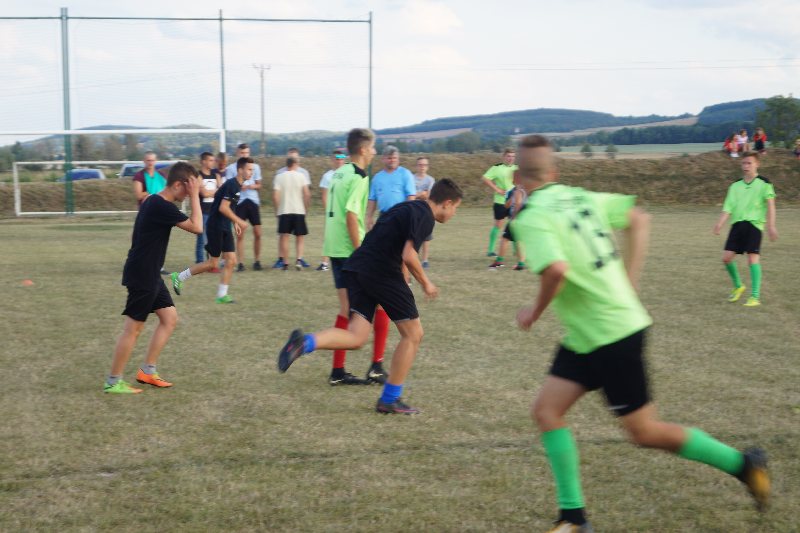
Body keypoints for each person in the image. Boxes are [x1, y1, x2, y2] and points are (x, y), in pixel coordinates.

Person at [510, 134, 770, 531]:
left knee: (644, 432)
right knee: (546, 411)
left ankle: (744, 464)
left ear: (517, 176)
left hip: (611, 335)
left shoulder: (531, 218)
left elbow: (557, 270)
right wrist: (629, 281)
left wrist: (534, 311)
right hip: (587, 335)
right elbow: (638, 217)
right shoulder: (580, 196)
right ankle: (573, 517)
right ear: (555, 171)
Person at [278, 179, 463, 415]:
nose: (454, 213)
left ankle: (303, 343)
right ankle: (390, 399)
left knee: (356, 337)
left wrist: (404, 278)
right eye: (456, 208)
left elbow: (388, 239)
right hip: (381, 272)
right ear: (447, 203)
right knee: (413, 335)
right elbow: (408, 255)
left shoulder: (406, 207)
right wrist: (426, 283)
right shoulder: (425, 215)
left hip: (358, 268)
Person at [105, 162, 203, 393]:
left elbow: (135, 234)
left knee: (169, 318)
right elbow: (197, 227)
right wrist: (196, 196)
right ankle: (113, 382)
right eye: (188, 189)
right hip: (144, 273)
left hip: (149, 271)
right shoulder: (162, 205)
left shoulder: (152, 201)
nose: (188, 194)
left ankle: (147, 371)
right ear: (178, 185)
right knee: (133, 328)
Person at [314, 128, 387, 385]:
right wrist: (361, 253)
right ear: (364, 149)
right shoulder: (358, 176)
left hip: (334, 248)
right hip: (350, 250)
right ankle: (376, 366)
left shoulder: (339, 172)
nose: (375, 152)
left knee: (346, 309)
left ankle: (338, 372)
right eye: (373, 147)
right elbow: (351, 215)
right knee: (382, 304)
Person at [170, 157, 250, 304]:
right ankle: (179, 277)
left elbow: (229, 206)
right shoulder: (232, 185)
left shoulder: (237, 185)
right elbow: (223, 208)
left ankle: (222, 295)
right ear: (240, 170)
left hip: (225, 225)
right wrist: (240, 221)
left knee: (231, 260)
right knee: (213, 263)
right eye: (249, 169)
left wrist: (234, 222)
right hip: (216, 226)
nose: (251, 172)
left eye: (252, 170)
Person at [713, 151, 777, 307]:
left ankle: (755, 297)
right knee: (726, 258)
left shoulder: (764, 183)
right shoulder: (735, 186)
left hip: (754, 225)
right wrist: (720, 223)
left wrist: (771, 225)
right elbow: (728, 207)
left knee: (752, 258)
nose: (746, 166)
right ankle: (738, 286)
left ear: (757, 164)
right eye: (743, 163)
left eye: (749, 163)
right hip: (737, 225)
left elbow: (771, 206)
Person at [225, 143, 263, 272]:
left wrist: (251, 186)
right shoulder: (231, 168)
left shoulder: (255, 167)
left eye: (246, 153)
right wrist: (239, 186)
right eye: (242, 153)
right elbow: (229, 186)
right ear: (237, 153)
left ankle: (257, 261)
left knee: (258, 233)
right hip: (239, 202)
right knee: (240, 235)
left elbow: (259, 185)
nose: (244, 155)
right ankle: (240, 263)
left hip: (252, 201)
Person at [132, 151, 169, 274]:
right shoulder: (139, 176)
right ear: (144, 161)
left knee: (160, 240)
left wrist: (151, 193)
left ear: (155, 161)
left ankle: (159, 266)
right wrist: (153, 192)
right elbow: (138, 195)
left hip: (160, 212)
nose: (150, 163)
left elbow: (167, 192)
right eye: (148, 160)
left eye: (152, 160)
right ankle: (138, 265)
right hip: (146, 213)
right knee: (143, 241)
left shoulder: (161, 176)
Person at [273, 156, 312, 270]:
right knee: (299, 237)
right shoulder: (301, 176)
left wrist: (277, 210)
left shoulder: (279, 177)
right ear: (295, 164)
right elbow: (307, 194)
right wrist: (305, 208)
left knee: (285, 237)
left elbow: (275, 196)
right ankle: (299, 260)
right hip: (298, 210)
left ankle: (285, 263)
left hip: (284, 210)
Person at [366, 145, 416, 230]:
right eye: (389, 158)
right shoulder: (377, 178)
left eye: (394, 158)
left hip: (400, 215)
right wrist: (369, 217)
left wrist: (408, 214)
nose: (392, 160)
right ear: (383, 159)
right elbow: (372, 199)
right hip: (383, 216)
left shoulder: (405, 174)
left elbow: (411, 196)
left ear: (398, 159)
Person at [316, 148, 348, 271]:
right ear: (332, 160)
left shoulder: (348, 174)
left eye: (342, 159)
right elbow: (324, 195)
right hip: (333, 212)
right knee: (329, 236)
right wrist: (328, 212)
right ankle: (325, 263)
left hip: (345, 211)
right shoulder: (327, 176)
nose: (339, 161)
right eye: (337, 159)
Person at [482, 147, 517, 257]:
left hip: (513, 202)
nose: (511, 158)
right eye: (508, 156)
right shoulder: (497, 168)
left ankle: (516, 251)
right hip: (500, 201)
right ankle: (491, 250)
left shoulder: (517, 168)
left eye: (513, 156)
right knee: (498, 225)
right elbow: (485, 178)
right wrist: (497, 189)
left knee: (514, 225)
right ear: (504, 157)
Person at [488, 171, 526, 271]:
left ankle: (499, 261)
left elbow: (518, 204)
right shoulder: (522, 190)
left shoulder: (518, 191)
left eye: (513, 177)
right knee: (517, 240)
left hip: (516, 219)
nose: (511, 179)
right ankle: (521, 263)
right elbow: (508, 204)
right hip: (523, 219)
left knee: (505, 239)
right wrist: (507, 205)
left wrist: (514, 216)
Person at [195, 152, 221, 264]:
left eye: (213, 160)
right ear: (203, 161)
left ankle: (210, 261)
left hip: (215, 212)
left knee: (213, 238)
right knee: (202, 239)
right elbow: (204, 194)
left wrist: (212, 192)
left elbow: (221, 192)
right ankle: (200, 262)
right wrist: (215, 191)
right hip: (203, 212)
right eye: (210, 160)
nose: (213, 162)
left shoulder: (216, 176)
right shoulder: (198, 176)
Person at [414, 156, 436, 268]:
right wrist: (421, 194)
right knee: (412, 236)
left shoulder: (430, 180)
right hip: (413, 210)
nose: (422, 167)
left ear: (427, 167)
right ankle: (413, 258)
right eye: (420, 165)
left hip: (426, 210)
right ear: (416, 166)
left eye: (424, 165)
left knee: (426, 237)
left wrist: (419, 195)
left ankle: (425, 260)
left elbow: (429, 195)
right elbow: (410, 194)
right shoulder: (411, 178)